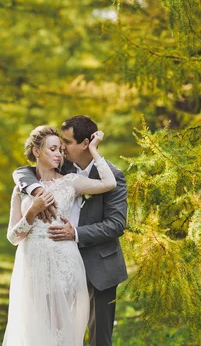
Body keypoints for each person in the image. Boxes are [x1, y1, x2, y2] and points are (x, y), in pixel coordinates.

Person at [12, 116, 128, 346]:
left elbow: (116, 224)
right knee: (55, 333)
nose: (62, 147)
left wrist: (74, 233)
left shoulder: (113, 175)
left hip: (99, 264)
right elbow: (22, 172)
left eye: (67, 142)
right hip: (55, 262)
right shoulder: (59, 164)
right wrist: (36, 191)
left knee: (99, 339)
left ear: (85, 144)